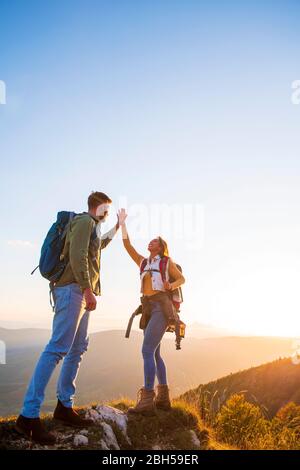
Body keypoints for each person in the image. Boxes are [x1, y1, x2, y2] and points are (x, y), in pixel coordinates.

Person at [16, 192, 126, 444]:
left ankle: (64, 406)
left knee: (77, 348)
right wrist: (87, 289)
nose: (107, 213)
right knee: (57, 349)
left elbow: (98, 247)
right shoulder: (85, 222)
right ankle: (28, 416)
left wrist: (118, 227)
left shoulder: (92, 227)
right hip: (73, 289)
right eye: (107, 209)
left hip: (79, 291)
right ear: (99, 207)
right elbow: (77, 256)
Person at [119, 209, 185, 416]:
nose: (150, 243)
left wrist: (170, 284)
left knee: (147, 351)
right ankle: (163, 399)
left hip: (162, 308)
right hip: (148, 308)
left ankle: (147, 400)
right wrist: (122, 224)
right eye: (150, 241)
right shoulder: (144, 262)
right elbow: (127, 246)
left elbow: (182, 279)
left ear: (161, 247)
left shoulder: (167, 262)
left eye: (154, 241)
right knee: (155, 353)